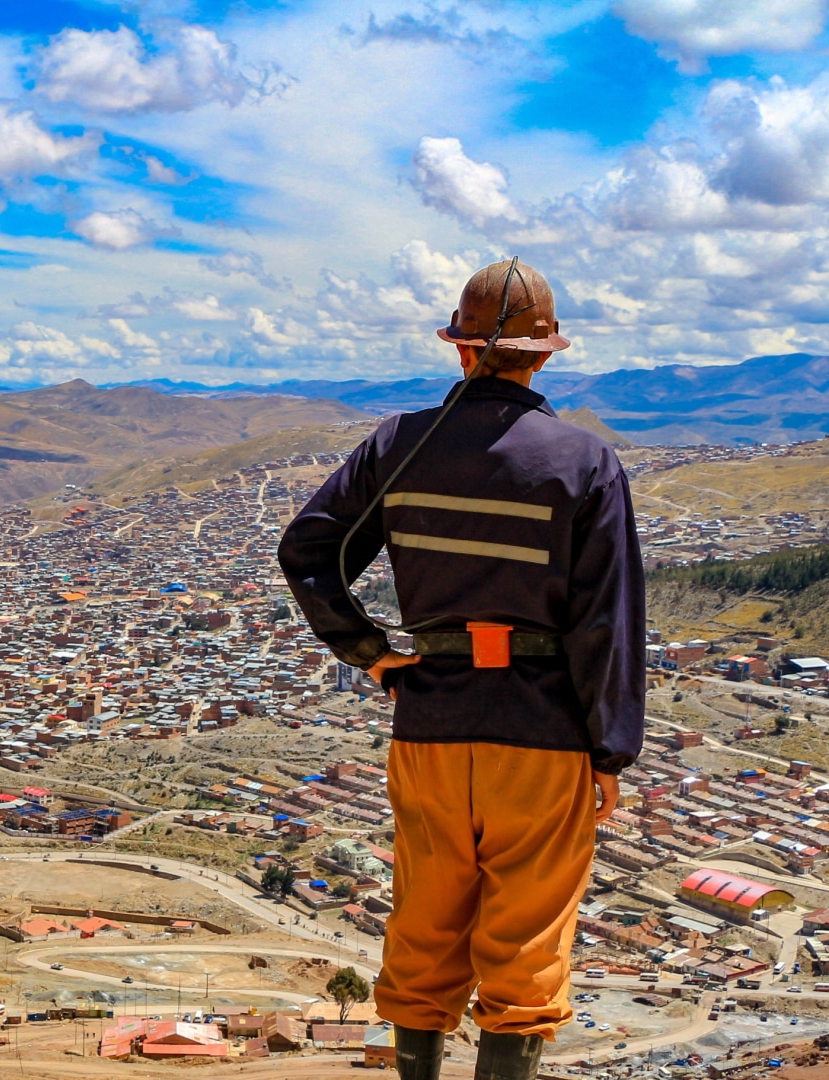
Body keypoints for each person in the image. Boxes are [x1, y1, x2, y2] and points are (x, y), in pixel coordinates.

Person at [277, 259, 643, 1080]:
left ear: (459, 347)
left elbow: (307, 550)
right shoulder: (584, 462)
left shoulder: (399, 447)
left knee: (425, 927)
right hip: (544, 734)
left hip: (431, 723)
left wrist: (369, 653)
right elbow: (605, 623)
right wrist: (610, 751)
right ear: (543, 355)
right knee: (525, 945)